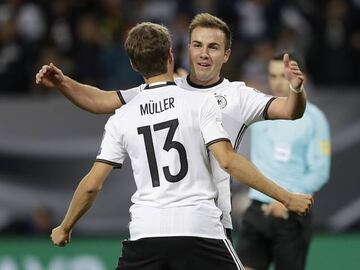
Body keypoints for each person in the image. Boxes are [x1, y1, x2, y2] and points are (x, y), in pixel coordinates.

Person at [50, 22, 312, 270]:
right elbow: (228, 160)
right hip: (201, 225)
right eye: (197, 45)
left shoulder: (235, 95)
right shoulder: (196, 101)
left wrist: (296, 90)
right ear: (175, 53)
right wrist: (65, 83)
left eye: (213, 47)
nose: (204, 54)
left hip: (150, 231)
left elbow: (290, 110)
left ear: (227, 54)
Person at [236, 54, 331, 270]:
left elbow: (320, 171)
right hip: (258, 209)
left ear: (301, 77)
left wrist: (288, 199)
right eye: (273, 75)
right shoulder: (258, 111)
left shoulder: (315, 118)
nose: (278, 81)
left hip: (292, 214)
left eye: (284, 75)